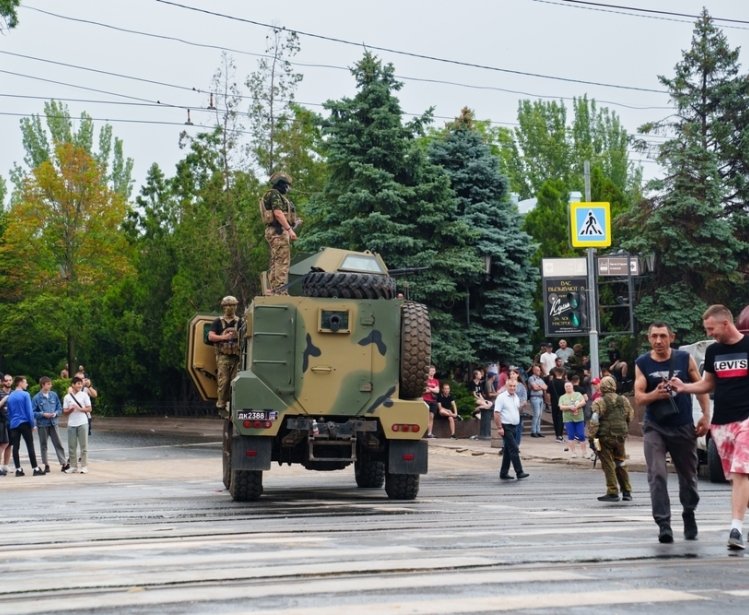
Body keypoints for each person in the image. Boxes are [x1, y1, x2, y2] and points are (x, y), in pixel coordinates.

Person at [670, 304, 749, 550]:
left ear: (726, 323)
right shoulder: (714, 352)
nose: (710, 333)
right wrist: (683, 387)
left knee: (741, 471)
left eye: (711, 328)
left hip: (746, 420)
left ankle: (736, 528)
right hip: (722, 422)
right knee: (737, 479)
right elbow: (707, 385)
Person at [635, 322, 709, 544]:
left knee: (688, 476)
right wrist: (654, 395)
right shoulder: (642, 362)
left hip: (683, 425)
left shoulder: (684, 359)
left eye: (663, 336)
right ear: (649, 339)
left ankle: (689, 512)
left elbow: (701, 387)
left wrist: (706, 415)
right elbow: (639, 397)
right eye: (654, 336)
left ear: (672, 337)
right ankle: (664, 524)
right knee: (657, 474)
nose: (658, 341)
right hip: (655, 426)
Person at [589, 376, 633, 502]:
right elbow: (630, 416)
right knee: (620, 462)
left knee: (608, 463)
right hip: (620, 436)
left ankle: (612, 491)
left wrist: (591, 438)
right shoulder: (623, 400)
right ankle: (627, 491)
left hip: (605, 436)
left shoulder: (599, 401)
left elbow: (594, 420)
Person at [262, 172, 298, 295]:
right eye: (286, 185)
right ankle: (280, 290)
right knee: (282, 260)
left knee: (276, 260)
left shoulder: (271, 195)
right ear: (281, 184)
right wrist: (289, 229)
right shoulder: (275, 194)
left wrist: (293, 224)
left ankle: (274, 289)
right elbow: (278, 213)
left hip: (275, 231)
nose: (288, 188)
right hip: (278, 232)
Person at [208, 295, 242, 418]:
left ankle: (233, 406)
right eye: (227, 305)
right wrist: (224, 337)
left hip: (237, 357)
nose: (230, 308)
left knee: (235, 383)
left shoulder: (240, 322)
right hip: (223, 357)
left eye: (232, 305)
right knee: (224, 381)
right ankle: (221, 406)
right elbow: (211, 336)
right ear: (223, 307)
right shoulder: (218, 322)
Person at [6, 376, 45, 477]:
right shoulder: (25, 395)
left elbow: (9, 412)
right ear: (20, 383)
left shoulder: (10, 396)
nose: (26, 384)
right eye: (25, 382)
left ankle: (18, 469)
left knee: (15, 447)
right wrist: (33, 424)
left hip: (14, 423)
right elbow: (29, 411)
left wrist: (11, 423)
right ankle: (35, 468)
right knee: (30, 445)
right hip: (25, 422)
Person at [32, 376, 69, 473]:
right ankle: (46, 464)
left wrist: (56, 413)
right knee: (43, 445)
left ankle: (63, 463)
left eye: (50, 383)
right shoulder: (36, 398)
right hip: (42, 424)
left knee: (58, 443)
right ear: (43, 385)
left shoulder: (54, 395)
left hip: (53, 422)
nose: (50, 385)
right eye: (48, 384)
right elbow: (33, 412)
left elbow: (59, 407)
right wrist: (43, 414)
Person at [494, 380, 529, 481]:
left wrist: (522, 405)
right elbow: (496, 413)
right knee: (514, 448)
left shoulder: (516, 397)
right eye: (510, 386)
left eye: (514, 386)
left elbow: (515, 409)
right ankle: (519, 472)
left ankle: (503, 473)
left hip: (514, 426)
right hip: (505, 426)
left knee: (508, 451)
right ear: (506, 386)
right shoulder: (501, 397)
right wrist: (499, 427)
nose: (513, 388)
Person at [63, 376, 92, 474]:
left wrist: (79, 409)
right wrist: (70, 409)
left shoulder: (84, 395)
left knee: (84, 446)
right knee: (72, 446)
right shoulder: (67, 397)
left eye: (81, 384)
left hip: (83, 422)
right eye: (78, 384)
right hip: (71, 423)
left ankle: (84, 466)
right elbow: (65, 412)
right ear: (73, 385)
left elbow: (89, 409)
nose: (80, 385)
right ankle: (73, 466)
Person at [559, 380, 588, 458]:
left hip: (579, 417)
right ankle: (573, 452)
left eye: (569, 386)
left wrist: (577, 406)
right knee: (571, 435)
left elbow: (583, 402)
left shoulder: (578, 394)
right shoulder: (562, 397)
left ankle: (584, 452)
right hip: (568, 418)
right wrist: (569, 407)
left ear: (572, 386)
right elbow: (561, 407)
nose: (568, 387)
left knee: (581, 435)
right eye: (566, 386)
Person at [527, 364, 547, 438]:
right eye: (538, 370)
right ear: (534, 371)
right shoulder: (531, 378)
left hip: (541, 398)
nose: (539, 371)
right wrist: (540, 387)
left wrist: (539, 386)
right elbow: (534, 388)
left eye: (539, 370)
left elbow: (546, 387)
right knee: (536, 414)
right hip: (534, 397)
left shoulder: (540, 379)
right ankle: (533, 431)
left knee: (540, 415)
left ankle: (538, 431)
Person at [547, 366, 567, 441]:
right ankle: (560, 435)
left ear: (556, 373)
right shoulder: (564, 383)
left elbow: (548, 393)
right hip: (563, 403)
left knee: (555, 418)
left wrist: (549, 402)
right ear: (562, 373)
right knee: (561, 418)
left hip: (554, 402)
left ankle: (557, 435)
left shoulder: (551, 382)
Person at [423, 365, 440, 438]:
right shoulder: (425, 380)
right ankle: (423, 432)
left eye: (433, 371)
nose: (432, 372)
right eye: (431, 370)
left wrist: (429, 389)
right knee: (425, 416)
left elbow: (437, 391)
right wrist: (433, 389)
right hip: (425, 400)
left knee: (431, 417)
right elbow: (424, 390)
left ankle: (429, 433)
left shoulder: (436, 381)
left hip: (433, 400)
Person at [0, 373, 12, 475]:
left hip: (12, 421)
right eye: (6, 380)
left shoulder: (14, 393)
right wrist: (4, 400)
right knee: (2, 443)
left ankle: (5, 465)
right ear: (3, 382)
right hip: (2, 421)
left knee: (9, 444)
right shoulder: (0, 393)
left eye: (10, 380)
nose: (8, 382)